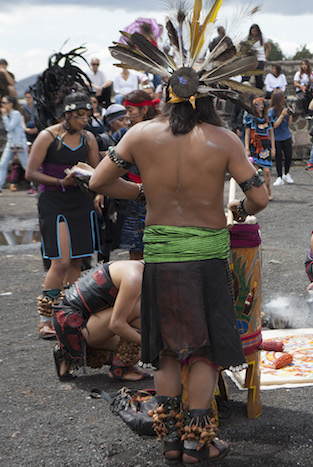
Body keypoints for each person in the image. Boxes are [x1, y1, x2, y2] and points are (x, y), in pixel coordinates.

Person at [91, 11, 269, 459]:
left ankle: (170, 441)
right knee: (204, 352)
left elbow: (97, 181)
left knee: (169, 353)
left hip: (161, 258)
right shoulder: (224, 140)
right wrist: (240, 207)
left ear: (165, 93)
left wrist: (141, 191)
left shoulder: (139, 134)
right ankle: (197, 443)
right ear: (209, 96)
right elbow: (260, 198)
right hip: (206, 257)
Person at [25, 91, 101, 339]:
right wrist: (61, 181)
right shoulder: (48, 136)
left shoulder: (88, 138)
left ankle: (69, 314)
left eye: (87, 116)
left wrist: (97, 189)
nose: (84, 120)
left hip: (80, 200)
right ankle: (45, 319)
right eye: (79, 115)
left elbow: (97, 171)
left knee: (78, 261)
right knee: (61, 261)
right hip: (54, 200)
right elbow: (31, 173)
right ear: (66, 114)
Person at [52, 260, 147, 381]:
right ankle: (118, 368)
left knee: (140, 336)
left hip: (80, 322)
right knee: (142, 308)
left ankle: (74, 353)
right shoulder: (134, 277)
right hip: (74, 326)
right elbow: (116, 324)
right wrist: (152, 345)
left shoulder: (136, 266)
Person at [115, 90, 160, 260]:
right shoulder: (123, 134)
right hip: (131, 195)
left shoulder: (160, 132)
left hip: (157, 194)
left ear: (145, 110)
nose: (128, 116)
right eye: (126, 111)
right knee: (135, 249)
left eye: (131, 111)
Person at [244, 97, 275, 199]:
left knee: (266, 170)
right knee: (255, 171)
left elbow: (271, 134)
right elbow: (247, 134)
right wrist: (247, 148)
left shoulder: (268, 118)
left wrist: (273, 148)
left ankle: (268, 190)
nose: (260, 106)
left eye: (262, 104)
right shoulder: (251, 118)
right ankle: (255, 193)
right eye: (258, 104)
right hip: (255, 146)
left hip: (265, 146)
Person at [0, 96, 29, 195]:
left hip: (19, 143)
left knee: (26, 165)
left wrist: (3, 116)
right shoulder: (9, 114)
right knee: (2, 164)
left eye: (4, 102)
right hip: (11, 143)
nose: (2, 104)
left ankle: (36, 186)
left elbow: (9, 127)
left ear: (10, 103)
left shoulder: (16, 113)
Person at [269, 89, 294, 186]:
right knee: (278, 157)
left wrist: (290, 114)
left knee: (288, 155)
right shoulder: (272, 111)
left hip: (286, 136)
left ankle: (286, 173)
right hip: (276, 138)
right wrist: (282, 115)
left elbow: (288, 123)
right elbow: (274, 125)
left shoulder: (285, 107)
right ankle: (279, 177)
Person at [246, 24, 270, 89]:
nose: (254, 33)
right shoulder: (248, 37)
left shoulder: (262, 37)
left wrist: (265, 57)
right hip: (251, 59)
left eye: (255, 31)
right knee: (246, 76)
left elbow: (268, 47)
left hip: (260, 58)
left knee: (259, 77)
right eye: (253, 31)